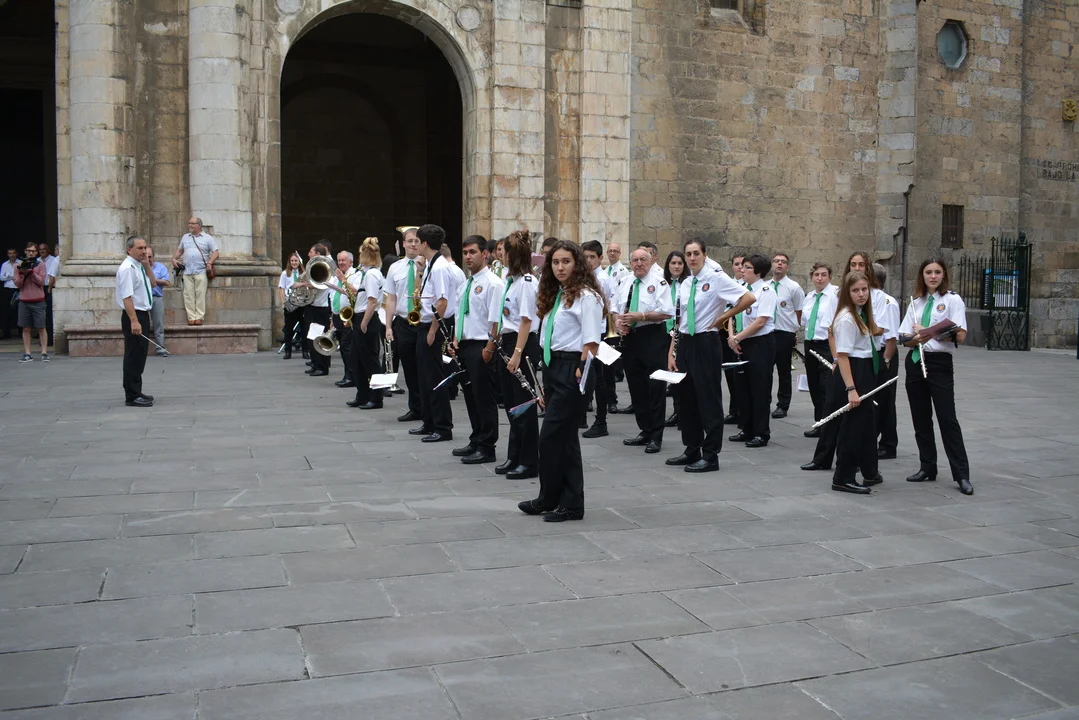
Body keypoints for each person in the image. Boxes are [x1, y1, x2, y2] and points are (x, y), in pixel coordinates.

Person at [518, 240, 603, 522]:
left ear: (577, 264)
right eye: (555, 262)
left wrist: (580, 373)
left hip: (573, 367)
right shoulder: (558, 294)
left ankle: (567, 501)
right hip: (553, 366)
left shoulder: (587, 296)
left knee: (552, 436)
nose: (560, 267)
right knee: (564, 439)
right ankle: (554, 498)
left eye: (566, 261)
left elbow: (591, 341)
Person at [666, 240, 755, 472]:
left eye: (696, 253)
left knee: (708, 399)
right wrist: (672, 351)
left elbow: (748, 298)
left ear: (705, 255)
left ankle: (711, 454)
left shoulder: (716, 278)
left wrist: (724, 317)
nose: (692, 258)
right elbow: (680, 319)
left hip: (706, 341)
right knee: (686, 400)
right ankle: (691, 448)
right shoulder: (686, 282)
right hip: (685, 342)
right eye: (688, 254)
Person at [900, 257, 973, 496]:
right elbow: (904, 339)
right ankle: (927, 466)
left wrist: (930, 332)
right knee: (920, 418)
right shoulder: (916, 303)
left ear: (944, 275)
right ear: (922, 275)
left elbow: (960, 336)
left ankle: (961, 474)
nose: (933, 276)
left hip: (939, 363)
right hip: (915, 361)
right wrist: (916, 338)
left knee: (947, 418)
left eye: (937, 272)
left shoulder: (952, 300)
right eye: (928, 272)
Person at [826, 270, 884, 494]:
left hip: (865, 369)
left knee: (865, 425)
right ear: (847, 293)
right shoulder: (847, 318)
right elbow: (842, 356)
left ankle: (868, 471)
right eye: (855, 290)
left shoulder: (860, 314)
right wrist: (851, 388)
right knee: (853, 427)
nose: (861, 294)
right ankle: (843, 477)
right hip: (855, 372)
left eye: (864, 289)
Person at [448, 235, 503, 464]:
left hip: (482, 345)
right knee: (470, 396)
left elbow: (496, 320)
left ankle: (487, 446)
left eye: (472, 252)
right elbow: (460, 316)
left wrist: (489, 348)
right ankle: (476, 438)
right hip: (465, 345)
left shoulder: (493, 283)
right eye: (465, 253)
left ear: (485, 254)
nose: (468, 257)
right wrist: (455, 340)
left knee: (484, 398)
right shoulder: (465, 285)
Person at [616, 248, 674, 453]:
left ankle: (656, 435)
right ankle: (645, 429)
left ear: (650, 261)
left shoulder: (659, 282)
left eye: (642, 260)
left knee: (655, 387)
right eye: (635, 260)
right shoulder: (625, 282)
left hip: (652, 335)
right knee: (636, 386)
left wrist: (640, 316)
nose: (638, 264)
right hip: (631, 338)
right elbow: (616, 309)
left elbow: (667, 312)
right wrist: (618, 324)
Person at [497, 230, 542, 480]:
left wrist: (516, 353)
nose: (501, 255)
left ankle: (529, 460)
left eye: (505, 251)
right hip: (508, 341)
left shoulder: (526, 282)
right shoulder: (512, 281)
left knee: (524, 405)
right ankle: (514, 455)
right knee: (511, 403)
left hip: (520, 344)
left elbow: (526, 321)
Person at [411, 224, 457, 442]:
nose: (415, 246)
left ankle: (442, 426)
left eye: (417, 241)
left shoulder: (439, 268)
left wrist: (432, 331)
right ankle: (429, 422)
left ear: (425, 243)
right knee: (425, 378)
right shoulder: (431, 264)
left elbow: (442, 302)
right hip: (426, 324)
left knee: (435, 378)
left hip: (435, 326)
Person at [728, 254, 777, 448]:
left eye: (747, 267)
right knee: (742, 387)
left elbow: (760, 321)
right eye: (742, 266)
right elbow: (731, 314)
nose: (742, 270)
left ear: (759, 272)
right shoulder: (741, 290)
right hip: (741, 341)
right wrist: (732, 337)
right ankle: (746, 427)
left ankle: (761, 432)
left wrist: (738, 338)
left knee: (759, 389)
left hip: (759, 343)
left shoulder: (766, 291)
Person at [384, 227, 423, 421]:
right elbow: (391, 298)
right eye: (410, 241)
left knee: (425, 367)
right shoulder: (395, 267)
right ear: (404, 244)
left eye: (416, 241)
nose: (413, 244)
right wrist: (388, 326)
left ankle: (428, 408)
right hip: (403, 322)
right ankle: (415, 408)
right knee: (408, 367)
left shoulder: (428, 265)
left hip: (423, 322)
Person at [346, 238, 387, 410]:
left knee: (371, 361)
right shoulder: (370, 273)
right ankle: (362, 394)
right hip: (362, 317)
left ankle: (376, 398)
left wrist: (364, 322)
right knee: (358, 359)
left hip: (366, 318)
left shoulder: (371, 275)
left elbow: (372, 301)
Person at [115, 236, 155, 407]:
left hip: (143, 314)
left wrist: (147, 266)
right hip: (134, 314)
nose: (144, 251)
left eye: (145, 248)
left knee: (140, 355)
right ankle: (131, 395)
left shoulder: (138, 266)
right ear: (129, 250)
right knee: (133, 355)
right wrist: (134, 321)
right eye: (139, 248)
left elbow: (153, 283)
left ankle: (137, 390)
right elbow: (127, 297)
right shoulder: (127, 268)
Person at [801, 262, 838, 433]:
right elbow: (805, 321)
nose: (820, 278)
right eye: (816, 275)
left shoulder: (835, 295)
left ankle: (829, 424)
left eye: (824, 275)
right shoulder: (809, 297)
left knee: (826, 386)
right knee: (814, 384)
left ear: (829, 277)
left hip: (826, 344)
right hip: (810, 343)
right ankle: (819, 422)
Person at [768, 252, 805, 419]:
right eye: (776, 261)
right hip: (767, 331)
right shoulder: (766, 286)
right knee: (765, 370)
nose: (779, 264)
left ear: (787, 267)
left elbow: (799, 311)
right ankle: (764, 401)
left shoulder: (793, 287)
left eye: (783, 262)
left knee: (784, 370)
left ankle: (783, 405)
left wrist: (793, 329)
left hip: (784, 333)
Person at [871, 262, 901, 459]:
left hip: (884, 354)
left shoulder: (888, 301)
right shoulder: (868, 299)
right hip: (871, 353)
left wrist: (887, 359)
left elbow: (891, 336)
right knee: (874, 399)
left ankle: (889, 444)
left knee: (886, 401)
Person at [172, 217, 218, 325]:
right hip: (187, 271)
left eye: (193, 223)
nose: (190, 225)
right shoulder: (185, 237)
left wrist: (210, 263)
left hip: (200, 270)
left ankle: (199, 317)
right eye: (189, 223)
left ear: (199, 225)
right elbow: (180, 250)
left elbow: (215, 252)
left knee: (200, 295)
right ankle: (191, 317)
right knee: (188, 295)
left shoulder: (207, 238)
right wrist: (174, 259)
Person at [663, 250, 688, 428]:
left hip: (679, 332)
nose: (677, 266)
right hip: (664, 332)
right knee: (669, 374)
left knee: (679, 374)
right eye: (673, 263)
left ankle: (682, 412)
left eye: (680, 263)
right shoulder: (664, 283)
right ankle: (676, 410)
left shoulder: (686, 284)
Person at [299, 243, 332, 377]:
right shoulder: (314, 266)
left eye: (311, 252)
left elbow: (321, 284)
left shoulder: (325, 267)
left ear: (318, 254)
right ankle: (316, 363)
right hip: (312, 306)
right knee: (311, 337)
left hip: (321, 308)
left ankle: (323, 367)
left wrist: (301, 284)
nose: (309, 254)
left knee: (320, 337)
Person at [13, 242, 49, 363]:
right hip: (24, 301)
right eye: (29, 251)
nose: (31, 253)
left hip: (38, 300)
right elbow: (17, 284)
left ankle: (44, 352)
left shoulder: (41, 265)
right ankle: (28, 353)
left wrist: (31, 272)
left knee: (41, 327)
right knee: (26, 328)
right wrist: (22, 274)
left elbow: (41, 282)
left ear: (36, 252)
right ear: (25, 251)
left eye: (33, 251)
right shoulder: (18, 265)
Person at [723, 254, 746, 425]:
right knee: (730, 372)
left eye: (743, 264)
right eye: (736, 264)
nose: (740, 267)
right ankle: (734, 409)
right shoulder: (727, 284)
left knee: (743, 374)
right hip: (726, 333)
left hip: (744, 333)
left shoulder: (749, 287)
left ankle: (743, 410)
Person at [331, 250, 358, 388]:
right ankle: (347, 374)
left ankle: (351, 376)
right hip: (337, 315)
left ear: (351, 262)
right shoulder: (337, 276)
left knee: (348, 347)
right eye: (339, 260)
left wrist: (343, 279)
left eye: (343, 260)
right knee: (343, 347)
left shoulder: (355, 274)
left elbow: (355, 292)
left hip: (349, 316)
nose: (340, 263)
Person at [278, 252, 305, 360]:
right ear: (289, 262)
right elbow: (281, 288)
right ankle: (288, 351)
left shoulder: (303, 273)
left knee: (304, 328)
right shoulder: (285, 273)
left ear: (299, 262)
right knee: (289, 329)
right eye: (292, 261)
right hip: (290, 302)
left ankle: (305, 351)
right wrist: (283, 302)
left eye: (296, 261)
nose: (294, 263)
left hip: (302, 303)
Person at [147, 248, 172, 357]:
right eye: (146, 257)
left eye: (150, 257)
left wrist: (153, 280)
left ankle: (160, 348)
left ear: (153, 256)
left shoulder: (160, 267)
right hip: (143, 298)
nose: (148, 259)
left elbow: (167, 282)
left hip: (156, 297)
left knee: (158, 324)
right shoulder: (138, 267)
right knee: (143, 324)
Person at [39, 243, 60, 348]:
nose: (42, 251)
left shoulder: (55, 259)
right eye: (40, 249)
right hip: (41, 288)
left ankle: (49, 339)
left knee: (48, 315)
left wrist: (49, 289)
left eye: (44, 249)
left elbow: (52, 277)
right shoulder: (37, 261)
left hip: (49, 288)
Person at [1, 248, 19, 340]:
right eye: (10, 253)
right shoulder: (5, 264)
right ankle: (6, 333)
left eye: (13, 253)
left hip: (18, 289)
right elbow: (1, 277)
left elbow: (20, 277)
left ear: (16, 254)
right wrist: (13, 276)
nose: (12, 255)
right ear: (8, 255)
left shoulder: (20, 263)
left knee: (19, 311)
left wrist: (8, 275)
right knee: (6, 312)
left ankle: (21, 332)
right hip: (7, 290)